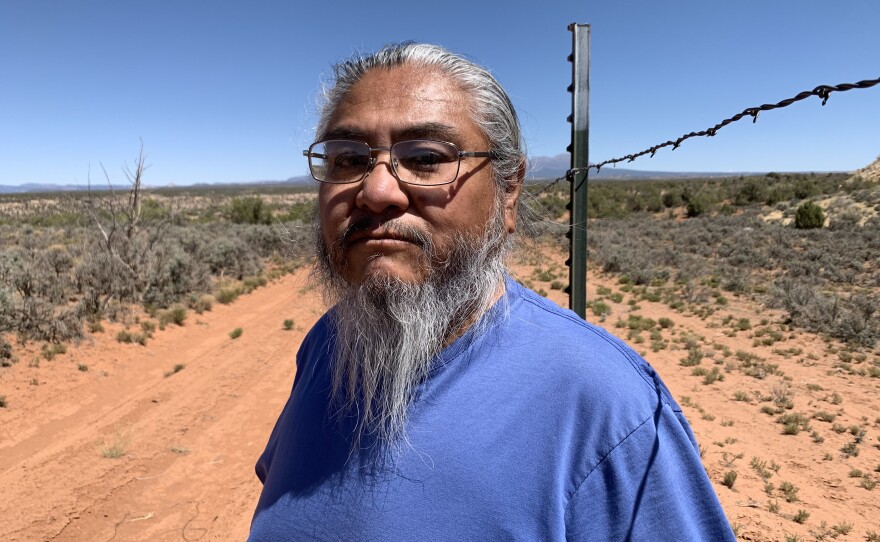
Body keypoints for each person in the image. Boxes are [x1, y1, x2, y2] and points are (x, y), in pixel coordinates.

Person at [249, 42, 735, 541]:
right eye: (347, 158)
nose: (376, 191)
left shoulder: (605, 406)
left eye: (424, 158)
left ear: (509, 192)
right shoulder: (328, 341)